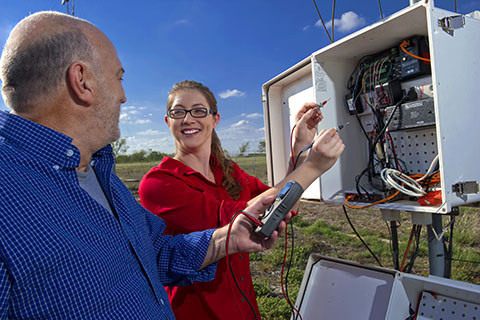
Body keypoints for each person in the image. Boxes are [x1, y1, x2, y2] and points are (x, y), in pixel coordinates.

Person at [0, 12, 290, 319]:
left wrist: (225, 239)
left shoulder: (100, 174)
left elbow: (153, 253)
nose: (124, 97)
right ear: (82, 80)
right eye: (118, 78)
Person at [139, 80, 345, 319]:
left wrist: (300, 144)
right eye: (178, 112)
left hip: (243, 308)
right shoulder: (158, 183)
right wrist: (312, 167)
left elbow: (284, 204)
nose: (188, 119)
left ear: (215, 119)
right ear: (168, 121)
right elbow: (247, 219)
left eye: (198, 110)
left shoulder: (229, 171)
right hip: (198, 312)